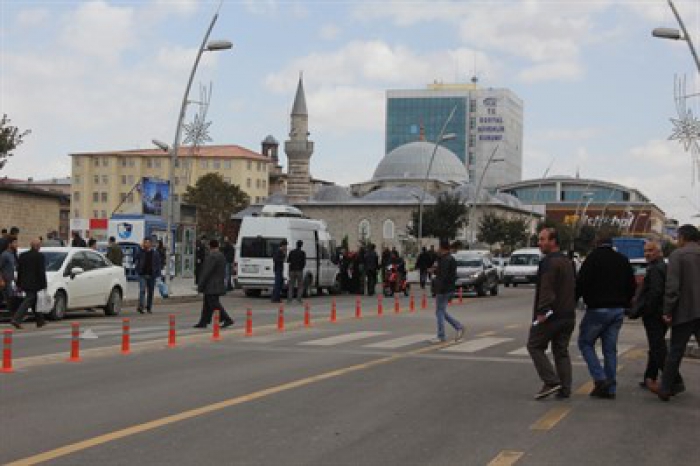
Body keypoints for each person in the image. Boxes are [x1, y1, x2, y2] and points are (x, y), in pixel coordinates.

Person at [576, 232, 636, 399]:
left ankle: (600, 379)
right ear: (611, 244)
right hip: (617, 310)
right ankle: (610, 389)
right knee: (610, 349)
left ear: (596, 243)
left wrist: (574, 302)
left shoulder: (592, 259)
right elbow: (631, 285)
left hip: (597, 309)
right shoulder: (623, 260)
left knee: (585, 343)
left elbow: (581, 283)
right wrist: (625, 303)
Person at [651, 224, 700, 401]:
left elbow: (672, 287)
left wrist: (667, 310)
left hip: (685, 311)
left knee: (675, 352)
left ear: (683, 238)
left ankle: (665, 388)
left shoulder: (678, 255)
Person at [527, 228, 577, 400]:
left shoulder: (549, 262)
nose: (539, 243)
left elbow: (546, 289)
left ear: (553, 241)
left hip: (551, 316)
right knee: (561, 350)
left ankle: (551, 381)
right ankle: (565, 388)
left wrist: (542, 311)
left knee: (534, 345)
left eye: (542, 239)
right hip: (568, 315)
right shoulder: (567, 261)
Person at [628, 241, 683, 391]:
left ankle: (675, 380)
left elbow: (656, 292)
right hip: (660, 313)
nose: (647, 253)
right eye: (645, 251)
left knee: (657, 348)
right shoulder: (660, 267)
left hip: (654, 315)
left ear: (659, 252)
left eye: (651, 250)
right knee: (656, 347)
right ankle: (649, 377)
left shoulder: (656, 269)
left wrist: (647, 310)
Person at [429, 239, 465, 344]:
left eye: (438, 247)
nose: (437, 249)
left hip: (443, 289)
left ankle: (441, 335)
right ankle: (458, 326)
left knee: (439, 312)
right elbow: (447, 273)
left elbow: (443, 275)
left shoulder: (445, 259)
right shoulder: (449, 258)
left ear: (442, 248)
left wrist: (438, 288)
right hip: (448, 288)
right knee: (440, 311)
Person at [193, 239, 234, 329]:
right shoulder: (221, 255)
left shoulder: (212, 256)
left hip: (211, 285)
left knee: (214, 304)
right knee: (207, 304)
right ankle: (203, 321)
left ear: (210, 246)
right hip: (217, 283)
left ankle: (226, 319)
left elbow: (206, 272)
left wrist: (200, 285)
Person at [11, 239, 47, 329]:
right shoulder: (40, 256)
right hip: (34, 283)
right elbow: (41, 272)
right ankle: (16, 319)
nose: (40, 248)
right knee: (29, 299)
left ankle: (40, 321)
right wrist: (44, 284)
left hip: (24, 282)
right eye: (39, 246)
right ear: (37, 246)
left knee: (34, 300)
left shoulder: (23, 255)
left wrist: (19, 283)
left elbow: (20, 270)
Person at [134, 238, 162, 314]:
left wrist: (158, 275)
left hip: (151, 275)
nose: (146, 244)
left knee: (150, 292)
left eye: (148, 243)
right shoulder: (141, 252)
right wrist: (140, 248)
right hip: (142, 274)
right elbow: (135, 258)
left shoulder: (155, 253)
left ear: (150, 244)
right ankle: (141, 307)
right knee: (142, 290)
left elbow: (158, 264)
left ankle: (149, 307)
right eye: (145, 243)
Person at [0, 236, 19, 315]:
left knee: (12, 298)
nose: (17, 244)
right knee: (9, 299)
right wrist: (1, 280)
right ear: (9, 244)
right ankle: (14, 316)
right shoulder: (4, 255)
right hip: (5, 281)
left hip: (12, 281)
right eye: (15, 243)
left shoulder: (13, 254)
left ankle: (14, 316)